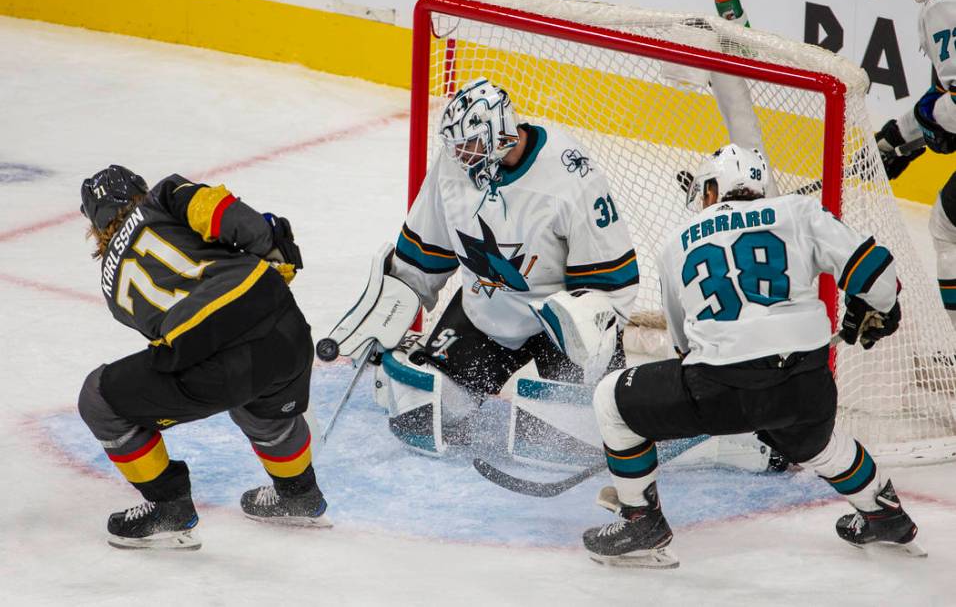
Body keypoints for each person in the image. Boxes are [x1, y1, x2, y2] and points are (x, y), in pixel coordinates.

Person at [581, 145, 922, 569]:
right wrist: (875, 309)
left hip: (721, 389)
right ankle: (884, 513)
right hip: (808, 385)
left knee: (612, 399)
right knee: (813, 442)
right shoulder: (797, 211)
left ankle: (640, 519)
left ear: (711, 191)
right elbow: (878, 274)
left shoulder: (676, 243)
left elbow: (684, 347)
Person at [331, 77, 640, 455]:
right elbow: (423, 254)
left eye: (471, 146)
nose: (463, 157)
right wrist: (385, 316)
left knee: (566, 442)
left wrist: (590, 353)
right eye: (457, 148)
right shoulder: (453, 165)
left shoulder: (569, 175)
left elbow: (609, 283)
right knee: (419, 416)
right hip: (484, 312)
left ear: (502, 133)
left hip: (559, 326)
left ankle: (611, 401)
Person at [77, 165, 330, 550]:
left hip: (216, 363)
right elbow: (233, 219)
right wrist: (271, 248)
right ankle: (299, 495)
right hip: (286, 331)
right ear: (138, 190)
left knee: (99, 398)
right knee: (260, 398)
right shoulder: (165, 194)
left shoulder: (112, 286)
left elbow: (169, 335)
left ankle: (169, 509)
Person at [881, 0, 956, 326]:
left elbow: (953, 107)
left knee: (946, 230)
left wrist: (926, 122)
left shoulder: (942, 7)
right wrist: (899, 137)